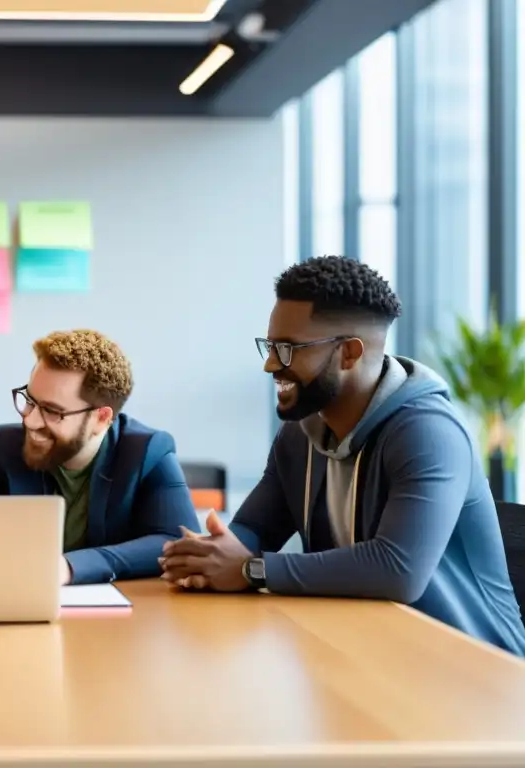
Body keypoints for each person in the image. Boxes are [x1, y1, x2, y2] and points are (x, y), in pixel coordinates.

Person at [161, 256, 525, 655]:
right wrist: (208, 553)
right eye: (270, 346)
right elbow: (254, 529)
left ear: (349, 354)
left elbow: (398, 570)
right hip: (364, 649)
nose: (270, 364)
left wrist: (251, 569)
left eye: (287, 350)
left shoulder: (429, 433)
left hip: (470, 668)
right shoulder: (299, 435)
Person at [0, 329, 199, 585]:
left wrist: (71, 567)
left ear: (101, 419)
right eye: (30, 401)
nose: (30, 420)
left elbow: (178, 540)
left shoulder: (147, 451)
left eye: (52, 411)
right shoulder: (5, 444)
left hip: (120, 616)